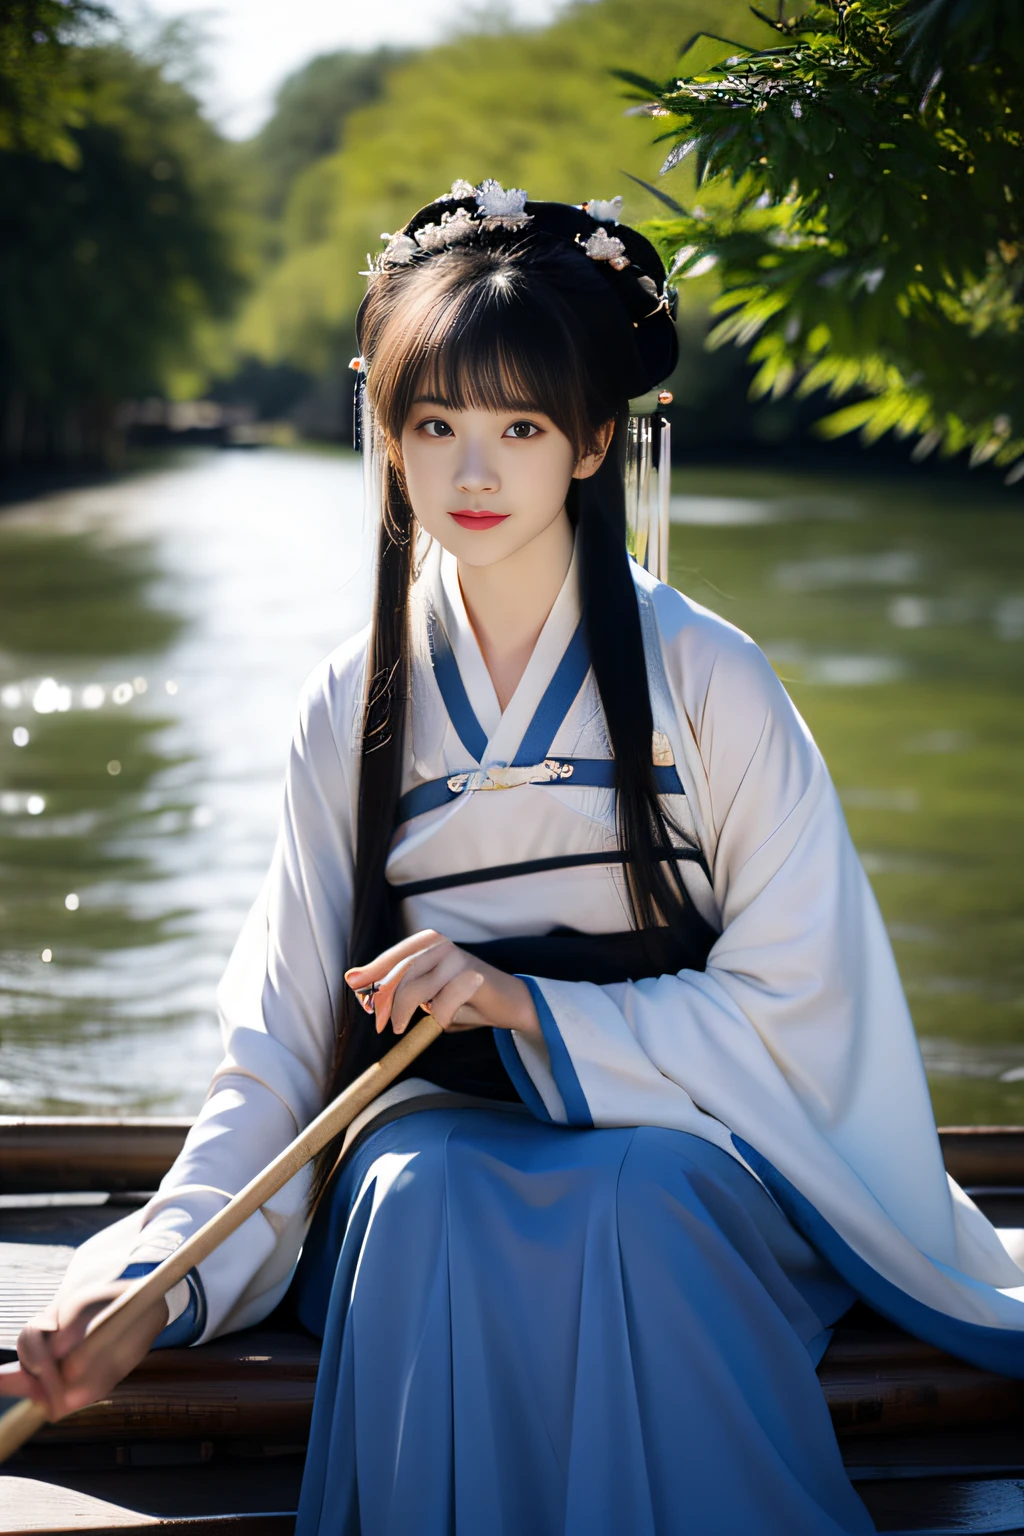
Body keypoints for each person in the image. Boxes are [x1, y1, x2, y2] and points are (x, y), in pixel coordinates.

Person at [5, 179, 1024, 1534]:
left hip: (690, 1144)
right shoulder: (347, 703)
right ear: (389, 436)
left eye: (520, 427)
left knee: (645, 1205)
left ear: (596, 442)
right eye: (434, 425)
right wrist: (151, 1282)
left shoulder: (713, 679)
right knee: (420, 1201)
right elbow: (280, 1049)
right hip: (432, 1132)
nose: (471, 474)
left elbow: (808, 1013)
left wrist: (525, 1004)